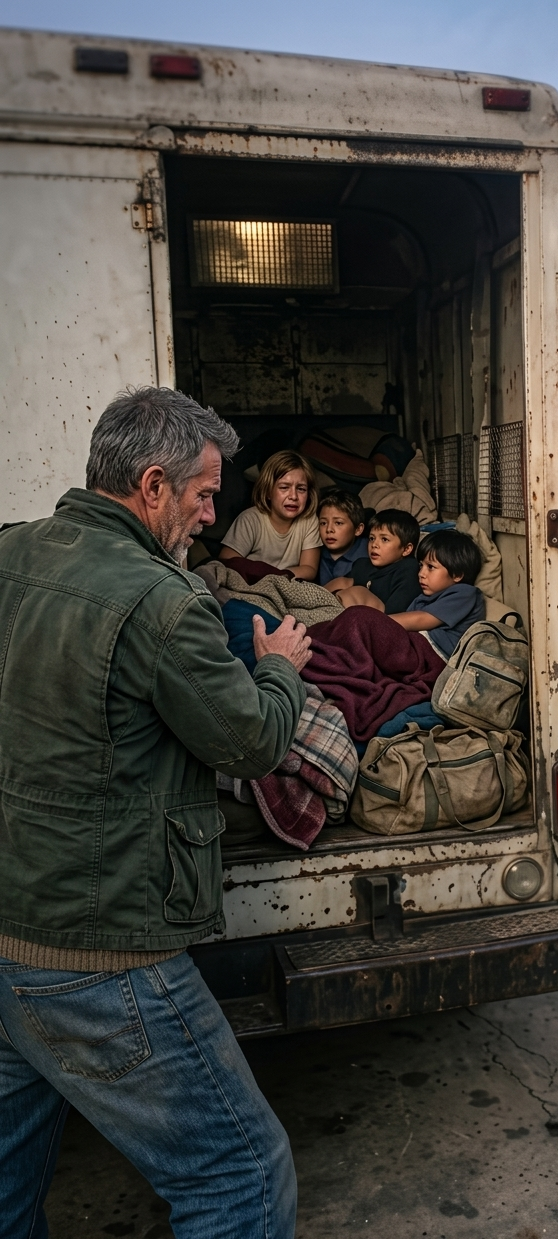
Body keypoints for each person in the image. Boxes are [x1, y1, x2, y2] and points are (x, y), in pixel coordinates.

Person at [0, 387, 312, 1239]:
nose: (210, 515)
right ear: (151, 484)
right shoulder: (163, 601)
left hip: (8, 928)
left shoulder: (10, 552)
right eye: (205, 493)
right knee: (240, 1176)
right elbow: (247, 742)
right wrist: (279, 666)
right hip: (95, 949)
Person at [220, 449, 321, 579]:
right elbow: (227, 559)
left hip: (287, 584)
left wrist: (275, 577)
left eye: (301, 489)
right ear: (268, 492)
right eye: (284, 487)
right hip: (251, 582)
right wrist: (261, 574)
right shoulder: (250, 519)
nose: (294, 496)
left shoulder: (309, 521)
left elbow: (309, 569)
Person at [392, 529, 485, 658]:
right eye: (421, 565)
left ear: (457, 574)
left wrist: (377, 623)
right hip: (415, 649)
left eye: (430, 567)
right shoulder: (423, 598)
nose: (421, 574)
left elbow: (422, 619)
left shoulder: (465, 593)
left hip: (434, 655)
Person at [327, 508, 421, 613]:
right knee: (342, 582)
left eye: (384, 539)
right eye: (372, 538)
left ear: (406, 549)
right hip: (337, 611)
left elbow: (395, 614)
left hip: (378, 622)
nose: (374, 545)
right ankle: (314, 602)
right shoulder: (362, 565)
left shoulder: (408, 569)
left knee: (358, 591)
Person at [316, 488, 368, 585]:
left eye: (338, 523)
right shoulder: (315, 553)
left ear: (358, 529)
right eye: (323, 523)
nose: (329, 529)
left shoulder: (370, 553)